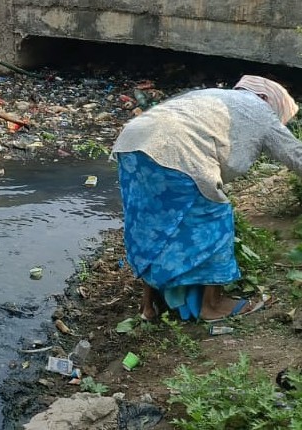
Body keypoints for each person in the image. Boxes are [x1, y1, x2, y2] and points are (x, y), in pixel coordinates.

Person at [113, 76, 302, 322]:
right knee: (214, 218)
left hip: (132, 143)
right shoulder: (261, 110)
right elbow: (296, 155)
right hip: (177, 151)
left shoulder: (211, 97)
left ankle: (148, 306)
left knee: (151, 225)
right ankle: (212, 305)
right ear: (267, 99)